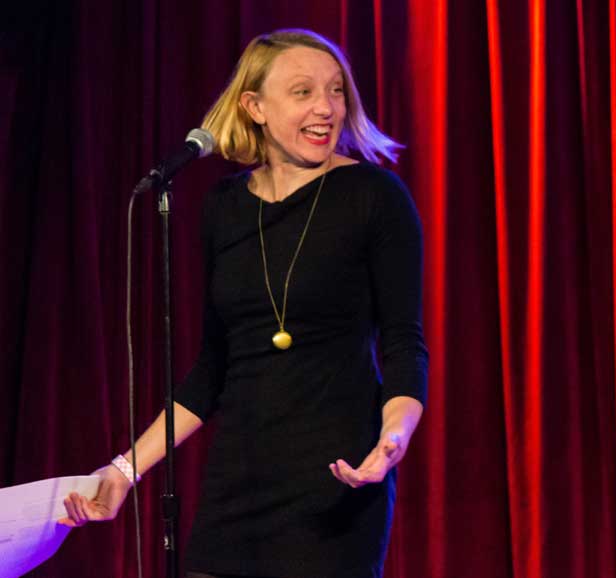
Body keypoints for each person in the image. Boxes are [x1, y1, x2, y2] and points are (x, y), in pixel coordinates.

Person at [60, 29, 427, 578]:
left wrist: (394, 436)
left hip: (336, 479)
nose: (326, 108)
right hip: (239, 481)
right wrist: (122, 470)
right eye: (303, 92)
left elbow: (404, 341)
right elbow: (213, 369)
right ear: (254, 106)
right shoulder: (224, 207)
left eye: (336, 91)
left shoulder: (374, 197)